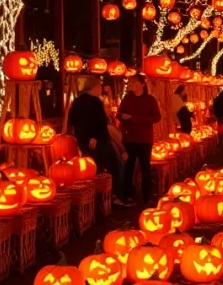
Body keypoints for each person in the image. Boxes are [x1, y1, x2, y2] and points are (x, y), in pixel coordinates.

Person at [68, 78, 128, 207]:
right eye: (99, 86)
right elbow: (98, 123)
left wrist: (83, 137)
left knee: (97, 170)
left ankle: (100, 201)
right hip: (99, 141)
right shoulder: (94, 102)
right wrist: (93, 136)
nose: (100, 89)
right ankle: (117, 196)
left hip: (86, 141)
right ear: (94, 87)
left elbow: (73, 121)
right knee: (116, 166)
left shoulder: (78, 101)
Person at [118, 75, 162, 204]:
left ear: (142, 84)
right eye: (131, 83)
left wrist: (135, 118)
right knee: (128, 167)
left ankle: (146, 195)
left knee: (145, 168)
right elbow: (119, 114)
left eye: (134, 83)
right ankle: (128, 194)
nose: (132, 85)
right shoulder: (127, 99)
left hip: (144, 139)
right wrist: (122, 117)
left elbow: (156, 117)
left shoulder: (150, 100)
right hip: (129, 138)